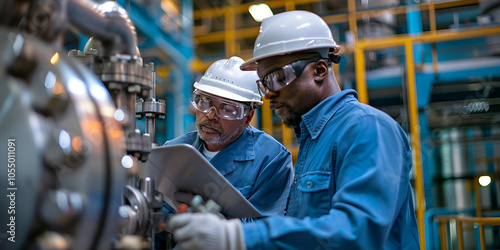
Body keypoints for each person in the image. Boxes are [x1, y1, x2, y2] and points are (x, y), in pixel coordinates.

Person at [167, 10, 420, 250]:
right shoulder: (313, 140)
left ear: (320, 70)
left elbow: (358, 231)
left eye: (277, 78)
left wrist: (235, 235)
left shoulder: (367, 128)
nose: (269, 94)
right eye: (264, 83)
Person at [162, 56, 294, 217]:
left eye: (227, 109)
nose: (210, 115)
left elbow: (267, 228)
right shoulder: (173, 151)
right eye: (204, 102)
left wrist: (216, 224)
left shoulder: (271, 159)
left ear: (247, 117)